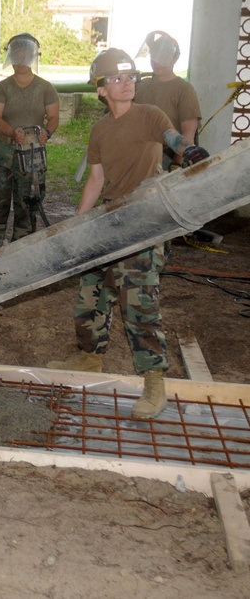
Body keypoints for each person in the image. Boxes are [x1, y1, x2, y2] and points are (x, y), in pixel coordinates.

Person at [47, 49, 209, 419]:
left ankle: (155, 384)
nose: (126, 84)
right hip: (107, 219)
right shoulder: (100, 129)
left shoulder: (149, 115)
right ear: (101, 90)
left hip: (144, 217)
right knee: (92, 293)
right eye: (117, 79)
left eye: (130, 77)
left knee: (139, 302)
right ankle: (90, 358)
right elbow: (97, 179)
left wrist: (192, 149)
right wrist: (76, 224)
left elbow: (173, 138)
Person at [0, 33, 60, 250]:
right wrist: (12, 132)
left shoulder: (45, 88)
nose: (20, 59)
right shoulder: (2, 87)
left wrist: (46, 133)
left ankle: (23, 246)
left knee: (28, 201)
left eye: (24, 53)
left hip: (32, 153)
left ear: (32, 56)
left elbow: (53, 117)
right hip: (2, 151)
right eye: (16, 54)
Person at [133, 31, 202, 170]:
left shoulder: (184, 89)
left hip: (167, 158)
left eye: (163, 57)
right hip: (137, 154)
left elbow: (188, 132)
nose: (157, 62)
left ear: (174, 58)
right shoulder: (139, 86)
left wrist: (176, 164)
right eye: (154, 56)